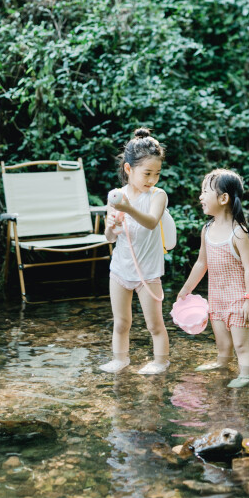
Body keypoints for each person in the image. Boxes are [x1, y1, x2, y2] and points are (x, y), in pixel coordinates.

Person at [177, 169, 249, 388]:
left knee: (241, 345)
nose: (200, 197)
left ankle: (247, 374)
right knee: (223, 345)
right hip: (217, 300)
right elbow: (201, 263)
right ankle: (222, 364)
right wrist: (186, 289)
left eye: (205, 192)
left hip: (238, 301)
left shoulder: (239, 233)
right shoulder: (207, 229)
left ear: (223, 198)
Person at [99, 128, 171, 375]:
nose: (152, 179)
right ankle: (120, 359)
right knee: (121, 323)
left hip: (148, 272)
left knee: (154, 324)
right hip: (120, 269)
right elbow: (109, 238)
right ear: (129, 169)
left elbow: (151, 222)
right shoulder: (117, 197)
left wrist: (127, 210)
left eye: (156, 174)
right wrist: (111, 227)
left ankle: (161, 361)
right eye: (147, 173)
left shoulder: (158, 196)